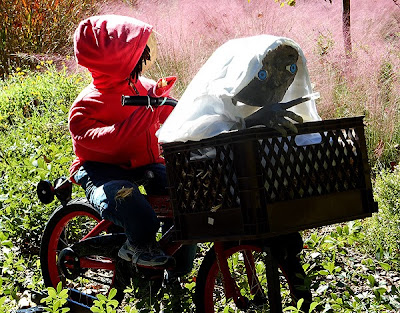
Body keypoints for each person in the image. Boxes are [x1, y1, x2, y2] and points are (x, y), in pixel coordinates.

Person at [69, 14, 185, 268]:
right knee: (127, 198)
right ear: (115, 60)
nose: (143, 60)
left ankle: (175, 262)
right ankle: (137, 246)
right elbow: (110, 141)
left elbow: (176, 115)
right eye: (136, 54)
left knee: (182, 193)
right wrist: (147, 113)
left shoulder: (144, 88)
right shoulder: (86, 106)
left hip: (144, 164)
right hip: (101, 171)